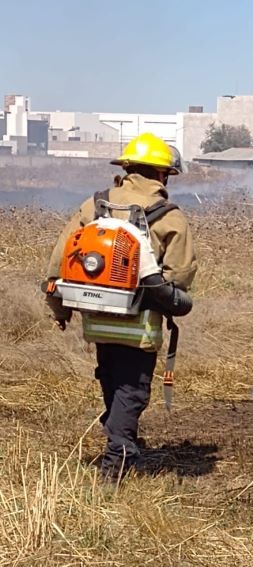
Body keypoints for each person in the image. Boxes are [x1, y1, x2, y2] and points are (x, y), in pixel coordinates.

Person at [44, 133, 198, 480]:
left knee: (112, 380)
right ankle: (117, 463)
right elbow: (180, 277)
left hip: (96, 321)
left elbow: (59, 261)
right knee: (133, 391)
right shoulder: (169, 217)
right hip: (138, 325)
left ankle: (121, 438)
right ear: (163, 174)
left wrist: (60, 310)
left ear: (127, 168)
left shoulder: (93, 205)